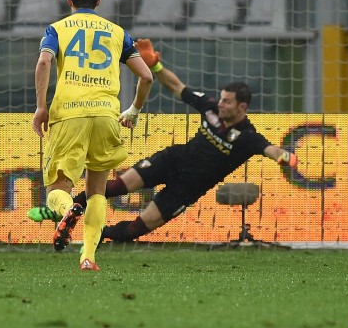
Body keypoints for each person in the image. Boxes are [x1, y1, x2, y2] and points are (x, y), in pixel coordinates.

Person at [31, 39, 298, 243]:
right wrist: (156, 65)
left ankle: (97, 235)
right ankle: (64, 210)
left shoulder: (248, 137)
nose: (220, 103)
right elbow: (177, 86)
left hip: (188, 189)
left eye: (226, 101)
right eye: (221, 98)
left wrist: (285, 157)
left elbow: (271, 149)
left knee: (135, 230)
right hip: (172, 161)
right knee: (114, 186)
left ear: (242, 107)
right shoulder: (209, 106)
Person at [32, 0, 154, 271]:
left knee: (57, 190)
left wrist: (40, 107)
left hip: (69, 113)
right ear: (98, 2)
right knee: (97, 191)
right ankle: (88, 257)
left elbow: (44, 62)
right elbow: (146, 76)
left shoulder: (57, 29)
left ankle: (66, 210)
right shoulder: (116, 32)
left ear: (69, 1)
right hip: (105, 114)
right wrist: (134, 110)